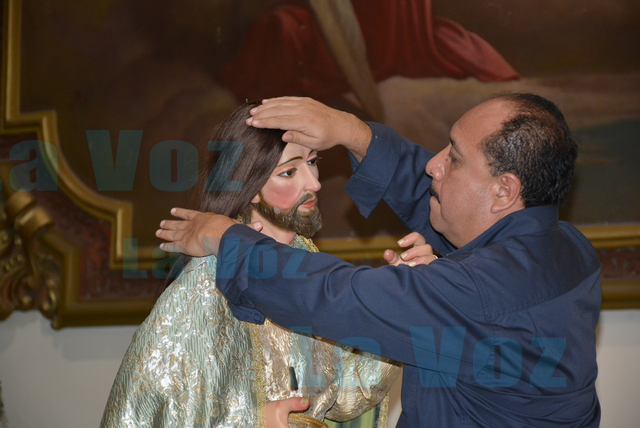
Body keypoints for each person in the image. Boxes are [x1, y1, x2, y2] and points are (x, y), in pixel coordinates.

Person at [157, 93, 602, 427]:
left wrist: (226, 239)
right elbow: (445, 200)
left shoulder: (482, 289)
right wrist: (351, 131)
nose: (433, 165)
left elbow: (335, 296)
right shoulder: (565, 246)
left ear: (504, 190)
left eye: (454, 158)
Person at [101, 102, 401, 428]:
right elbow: (140, 413)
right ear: (251, 187)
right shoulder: (206, 284)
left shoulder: (307, 265)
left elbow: (342, 398)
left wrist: (399, 296)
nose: (314, 183)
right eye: (289, 172)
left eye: (312, 162)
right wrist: (253, 421)